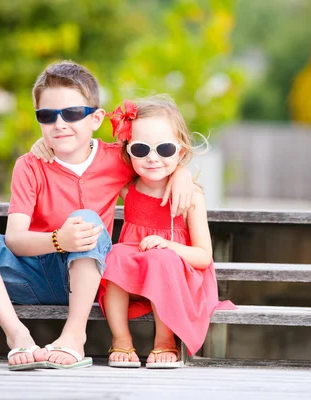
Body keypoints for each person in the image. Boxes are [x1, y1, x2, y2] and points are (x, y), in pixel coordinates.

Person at [0, 61, 194, 371]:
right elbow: (14, 239)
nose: (59, 124)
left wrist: (182, 173)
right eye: (47, 116)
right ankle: (18, 336)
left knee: (86, 219)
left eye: (72, 114)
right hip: (31, 276)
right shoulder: (30, 165)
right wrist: (58, 240)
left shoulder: (117, 159)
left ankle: (74, 336)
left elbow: (155, 165)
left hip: (88, 278)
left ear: (95, 118)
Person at [96, 95, 236, 369]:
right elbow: (94, 157)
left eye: (165, 149)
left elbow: (203, 257)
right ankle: (121, 340)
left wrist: (168, 245)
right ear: (128, 151)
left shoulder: (190, 197)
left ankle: (164, 341)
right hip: (135, 278)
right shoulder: (129, 188)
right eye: (140, 150)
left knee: (161, 259)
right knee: (113, 255)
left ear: (180, 152)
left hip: (179, 276)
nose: (152, 158)